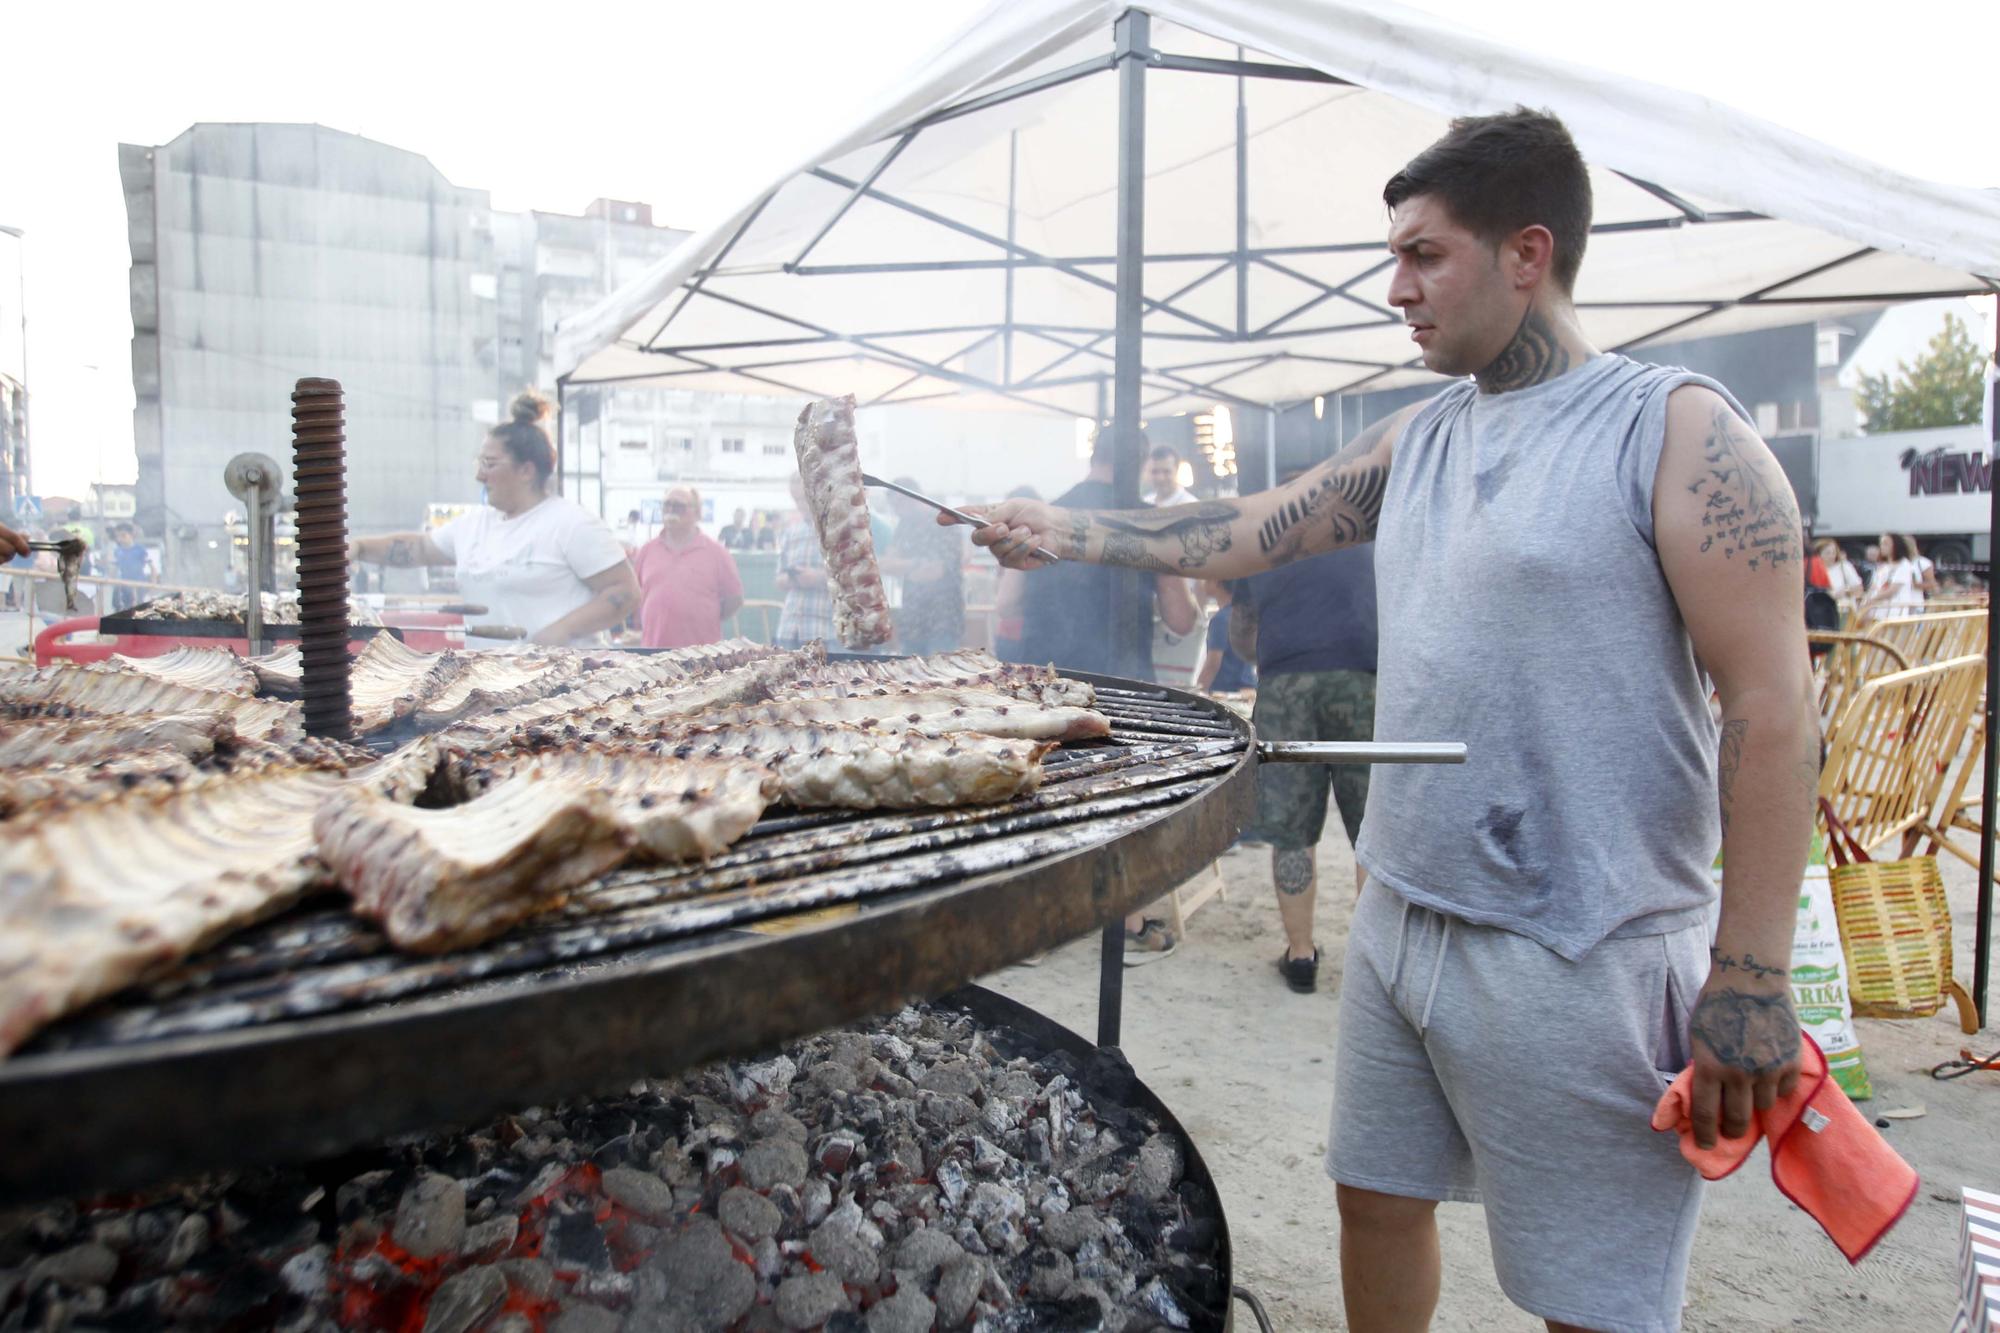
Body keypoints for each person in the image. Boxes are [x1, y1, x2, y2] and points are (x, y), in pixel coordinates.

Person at [964, 109, 1811, 1333]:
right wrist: (1062, 531)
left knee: (1590, 1296)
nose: (1393, 288)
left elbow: (1774, 708)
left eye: (1422, 255)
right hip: (1404, 914)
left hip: (1581, 941)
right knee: (1373, 1201)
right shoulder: (1415, 437)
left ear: (1526, 253)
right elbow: (1246, 530)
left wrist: (1748, 977)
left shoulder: (1676, 430)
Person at [350, 391, 639, 647]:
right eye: (480, 463)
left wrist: (559, 632)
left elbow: (624, 591)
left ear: (526, 470)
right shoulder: (473, 525)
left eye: (490, 464)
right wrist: (359, 547)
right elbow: (420, 548)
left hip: (564, 680)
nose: (480, 475)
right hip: (488, 681)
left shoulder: (572, 524)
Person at [1230, 532, 1379, 994]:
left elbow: (1242, 629)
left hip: (1287, 685)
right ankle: (1372, 960)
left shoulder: (1270, 530)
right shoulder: (1364, 525)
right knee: (1372, 829)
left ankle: (1300, 956)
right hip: (1363, 682)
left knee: (1293, 830)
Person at [632, 484, 744, 649]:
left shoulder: (717, 553)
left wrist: (705, 616)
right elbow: (636, 593)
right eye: (666, 505)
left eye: (679, 506)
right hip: (653, 652)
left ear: (697, 513)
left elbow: (734, 599)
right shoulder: (647, 551)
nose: (671, 510)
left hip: (701, 656)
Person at [878, 477, 965, 656]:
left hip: (942, 620)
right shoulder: (905, 525)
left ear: (910, 498)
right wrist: (916, 565)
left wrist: (905, 566)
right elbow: (886, 564)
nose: (896, 511)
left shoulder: (944, 522)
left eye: (898, 505)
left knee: (940, 678)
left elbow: (935, 570)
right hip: (911, 621)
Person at [774, 473, 833, 649]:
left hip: (824, 630)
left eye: (804, 498)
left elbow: (853, 576)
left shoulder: (838, 532)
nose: (800, 505)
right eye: (796, 500)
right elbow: (779, 579)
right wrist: (793, 578)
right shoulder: (791, 533)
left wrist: (819, 577)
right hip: (788, 629)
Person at [991, 486, 1041, 663]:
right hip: (1040, 637)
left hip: (1018, 638)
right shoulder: (1046, 543)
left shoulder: (1023, 546)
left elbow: (1005, 603)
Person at [1194, 582, 1254, 693]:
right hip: (1247, 690)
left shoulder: (1220, 619)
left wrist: (1198, 692)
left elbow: (1213, 663)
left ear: (1218, 583)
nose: (1203, 582)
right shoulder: (1243, 614)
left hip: (1225, 692)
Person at [1861, 532, 1923, 619]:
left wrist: (1872, 600)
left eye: (1885, 544)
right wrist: (1866, 601)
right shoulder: (1883, 567)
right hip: (1878, 613)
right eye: (1881, 543)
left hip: (1894, 614)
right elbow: (1874, 587)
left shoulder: (1904, 565)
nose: (1882, 547)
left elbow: (1892, 590)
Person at [109, 524, 154, 611]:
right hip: (124, 585)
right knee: (124, 608)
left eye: (123, 535)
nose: (120, 539)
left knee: (140, 608)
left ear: (131, 535)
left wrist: (152, 585)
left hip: (139, 584)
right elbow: (114, 568)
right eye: (118, 536)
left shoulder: (140, 550)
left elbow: (152, 567)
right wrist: (113, 581)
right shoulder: (118, 551)